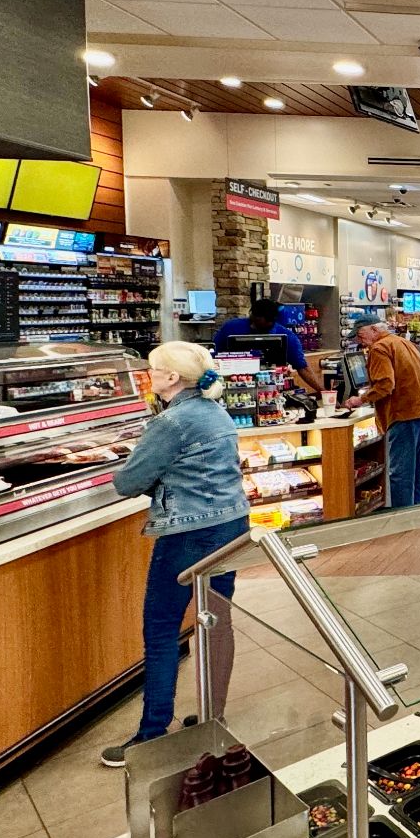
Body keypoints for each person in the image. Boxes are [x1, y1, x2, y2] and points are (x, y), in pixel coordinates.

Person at [102, 342, 251, 768]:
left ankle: (151, 734)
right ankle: (212, 718)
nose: (148, 375)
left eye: (153, 369)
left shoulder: (171, 422)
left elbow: (128, 482)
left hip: (188, 532)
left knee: (163, 628)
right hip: (231, 526)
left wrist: (132, 467)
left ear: (170, 378)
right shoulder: (213, 411)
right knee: (217, 623)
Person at [345, 316, 420, 508]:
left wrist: (360, 399)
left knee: (401, 472)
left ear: (373, 329)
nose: (359, 341)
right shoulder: (404, 342)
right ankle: (416, 510)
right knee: (417, 468)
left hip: (403, 415)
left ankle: (402, 517)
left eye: (360, 335)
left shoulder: (379, 348)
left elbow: (385, 385)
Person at [213, 298, 318, 391]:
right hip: (233, 385)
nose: (253, 326)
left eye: (259, 326)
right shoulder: (232, 328)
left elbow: (303, 368)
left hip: (270, 389)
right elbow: (214, 356)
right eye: (252, 322)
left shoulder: (287, 337)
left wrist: (323, 392)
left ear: (272, 321)